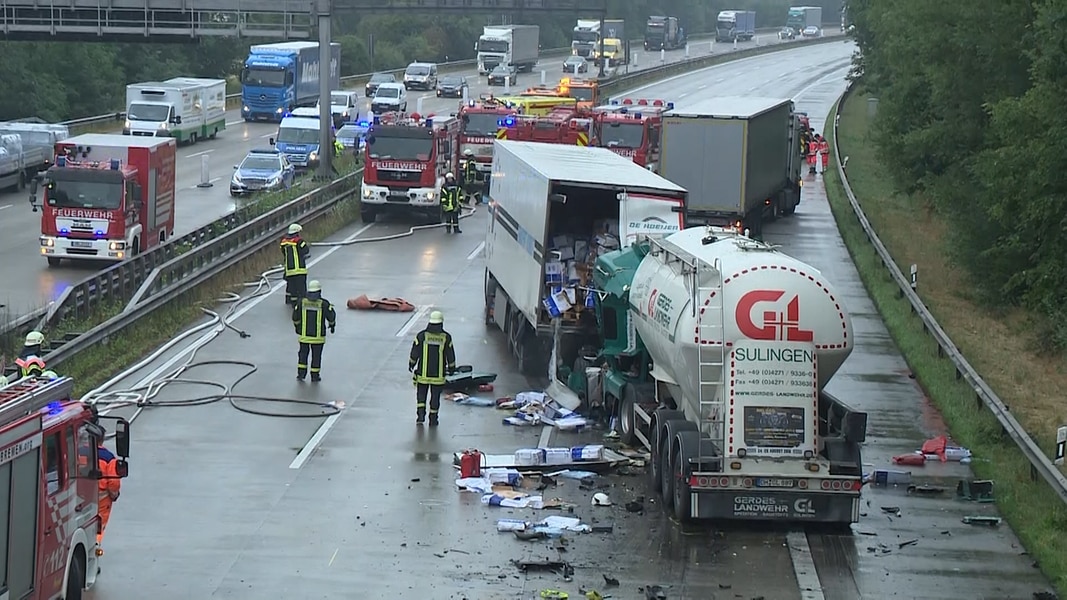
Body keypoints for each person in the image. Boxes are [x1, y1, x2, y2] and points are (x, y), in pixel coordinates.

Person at [408, 310, 457, 427]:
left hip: (422, 375)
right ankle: (433, 419)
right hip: (438, 376)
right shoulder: (446, 337)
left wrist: (411, 364)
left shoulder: (421, 336)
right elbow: (450, 354)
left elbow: (415, 352)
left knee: (421, 396)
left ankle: (420, 416)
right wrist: (451, 368)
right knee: (435, 398)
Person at [292, 280, 337, 382]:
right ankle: (315, 376)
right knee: (316, 356)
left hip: (304, 337)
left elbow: (295, 317)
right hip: (318, 338)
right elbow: (331, 316)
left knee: (303, 355)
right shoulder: (324, 304)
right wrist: (332, 325)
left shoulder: (301, 302)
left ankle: (301, 374)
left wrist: (297, 327)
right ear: (319, 291)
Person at [96, 444, 121, 551]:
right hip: (102, 499)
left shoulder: (77, 451)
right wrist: (114, 494)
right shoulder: (108, 458)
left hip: (80, 495)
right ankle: (95, 546)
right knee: (98, 526)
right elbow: (113, 481)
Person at [280, 223, 310, 306]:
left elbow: (284, 252)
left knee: (292, 289)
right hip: (299, 270)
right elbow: (305, 250)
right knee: (301, 289)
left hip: (289, 270)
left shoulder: (284, 242)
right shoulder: (299, 241)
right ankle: (302, 304)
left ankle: (292, 303)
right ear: (297, 232)